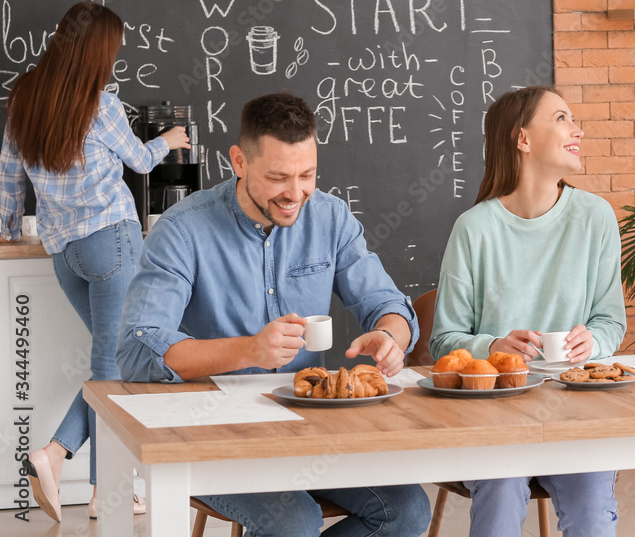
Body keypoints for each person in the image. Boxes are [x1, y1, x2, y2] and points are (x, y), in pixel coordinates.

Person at [116, 91, 430, 536]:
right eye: (279, 177)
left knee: (408, 509)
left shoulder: (329, 218)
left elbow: (387, 303)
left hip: (309, 429)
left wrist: (391, 337)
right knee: (294, 520)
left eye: (308, 175)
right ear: (239, 162)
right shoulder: (183, 230)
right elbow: (138, 348)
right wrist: (248, 350)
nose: (295, 193)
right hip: (214, 431)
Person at [0, 1, 190, 522]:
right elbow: (139, 159)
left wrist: (9, 228)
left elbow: (9, 174)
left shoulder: (24, 100)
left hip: (64, 252)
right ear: (96, 54)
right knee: (118, 365)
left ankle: (95, 476)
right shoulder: (101, 105)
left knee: (120, 360)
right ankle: (78, 467)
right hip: (112, 241)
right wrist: (170, 139)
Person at [430, 86, 626, 537]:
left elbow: (610, 320)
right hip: (492, 411)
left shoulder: (596, 218)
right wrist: (493, 346)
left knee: (593, 510)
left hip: (576, 410)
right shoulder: (474, 229)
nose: (578, 130)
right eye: (561, 118)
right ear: (523, 139)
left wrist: (593, 340)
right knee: (500, 492)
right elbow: (443, 341)